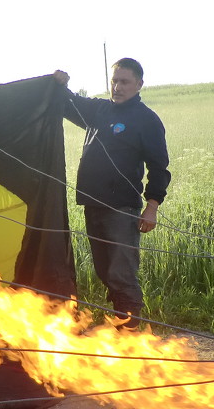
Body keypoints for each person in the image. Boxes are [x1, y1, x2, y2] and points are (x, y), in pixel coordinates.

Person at [52, 59, 171, 328]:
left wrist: (151, 207)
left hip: (121, 210)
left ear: (139, 84)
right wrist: (59, 84)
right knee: (104, 270)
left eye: (124, 82)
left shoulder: (147, 120)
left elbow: (159, 167)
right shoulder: (100, 110)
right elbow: (68, 104)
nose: (117, 87)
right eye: (114, 81)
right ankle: (119, 324)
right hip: (92, 204)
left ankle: (128, 329)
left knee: (121, 271)